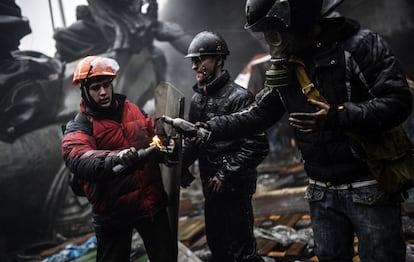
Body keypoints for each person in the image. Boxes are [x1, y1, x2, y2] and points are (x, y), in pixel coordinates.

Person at [200, 0, 413, 261]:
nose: (270, 39)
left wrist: (336, 116)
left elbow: (397, 101)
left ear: (295, 18)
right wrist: (206, 129)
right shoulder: (289, 64)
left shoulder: (359, 45)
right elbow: (257, 114)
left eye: (273, 29)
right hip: (320, 190)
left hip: (370, 185)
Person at [61, 56, 176, 262]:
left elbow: (154, 140)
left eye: (106, 85)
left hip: (150, 204)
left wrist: (168, 145)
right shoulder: (79, 126)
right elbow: (78, 157)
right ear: (85, 91)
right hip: (112, 213)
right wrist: (117, 157)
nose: (103, 92)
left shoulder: (132, 109)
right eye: (96, 87)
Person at [181, 31, 269, 262]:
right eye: (193, 61)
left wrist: (226, 174)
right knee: (218, 248)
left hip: (235, 189)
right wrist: (180, 164)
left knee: (242, 253)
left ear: (219, 60)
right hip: (211, 188)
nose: (195, 66)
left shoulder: (239, 98)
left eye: (201, 60)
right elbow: (194, 140)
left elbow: (257, 145)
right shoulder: (198, 99)